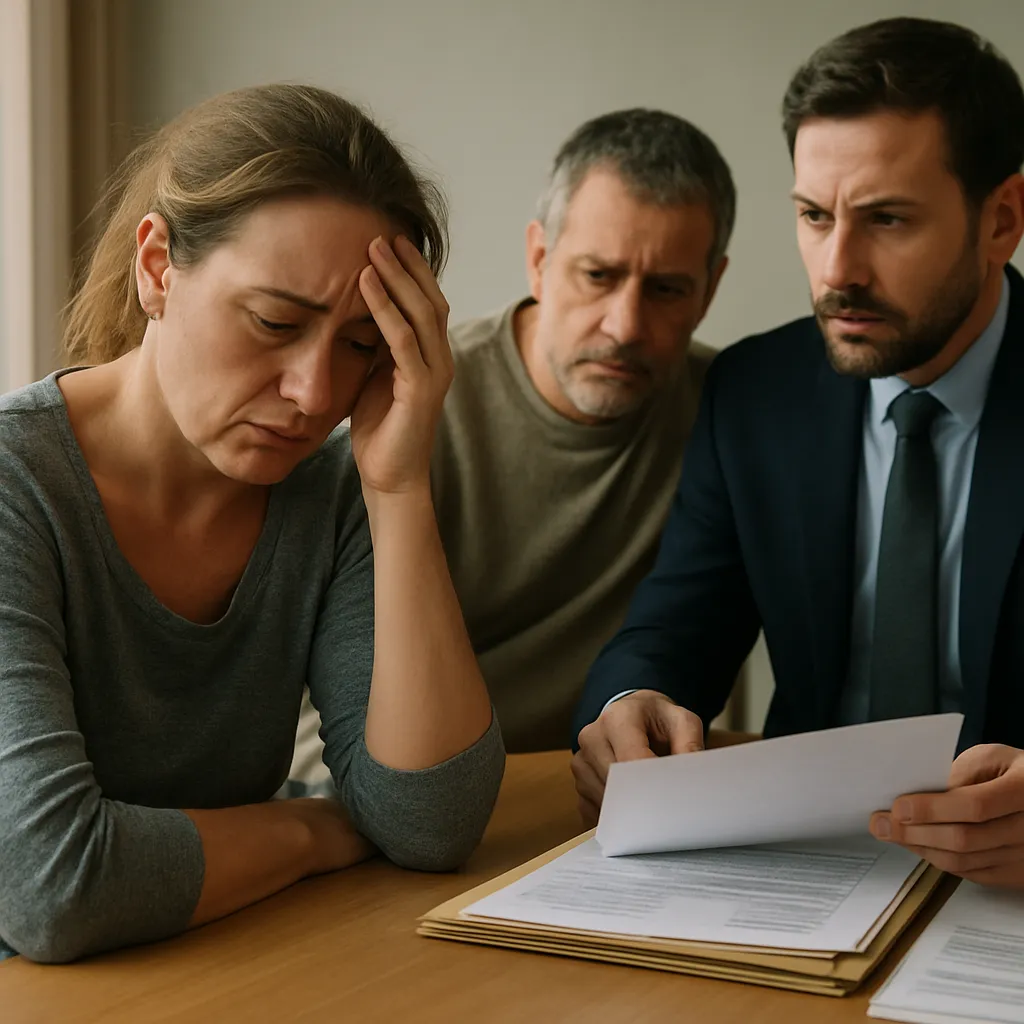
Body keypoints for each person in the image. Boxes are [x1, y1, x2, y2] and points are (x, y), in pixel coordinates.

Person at [0, 84, 505, 964]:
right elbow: (53, 885)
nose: (315, 395)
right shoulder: (16, 486)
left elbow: (429, 825)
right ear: (157, 268)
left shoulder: (334, 491)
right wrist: (312, 829)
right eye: (275, 321)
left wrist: (398, 488)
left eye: (358, 345)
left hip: (204, 965)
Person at [572, 17, 1024, 890]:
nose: (837, 270)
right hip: (807, 873)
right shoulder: (755, 392)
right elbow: (675, 627)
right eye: (815, 217)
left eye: (887, 219)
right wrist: (629, 707)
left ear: (1001, 219)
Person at [286, 109, 733, 790]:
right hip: (395, 804)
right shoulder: (411, 412)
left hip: (600, 810)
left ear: (711, 289)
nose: (626, 325)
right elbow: (324, 713)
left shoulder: (729, 417)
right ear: (539, 259)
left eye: (667, 289)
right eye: (598, 275)